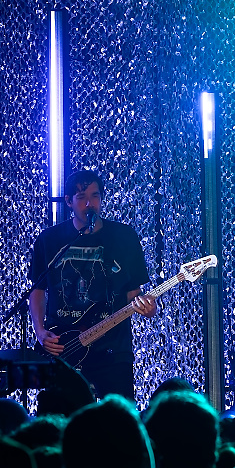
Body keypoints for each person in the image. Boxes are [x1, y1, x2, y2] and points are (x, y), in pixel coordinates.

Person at [29, 169, 157, 400]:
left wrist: (149, 308)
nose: (90, 204)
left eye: (95, 196)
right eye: (82, 197)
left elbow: (134, 292)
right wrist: (40, 332)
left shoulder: (124, 236)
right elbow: (38, 290)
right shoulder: (50, 239)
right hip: (64, 345)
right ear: (68, 201)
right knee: (62, 419)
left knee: (118, 420)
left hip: (112, 347)